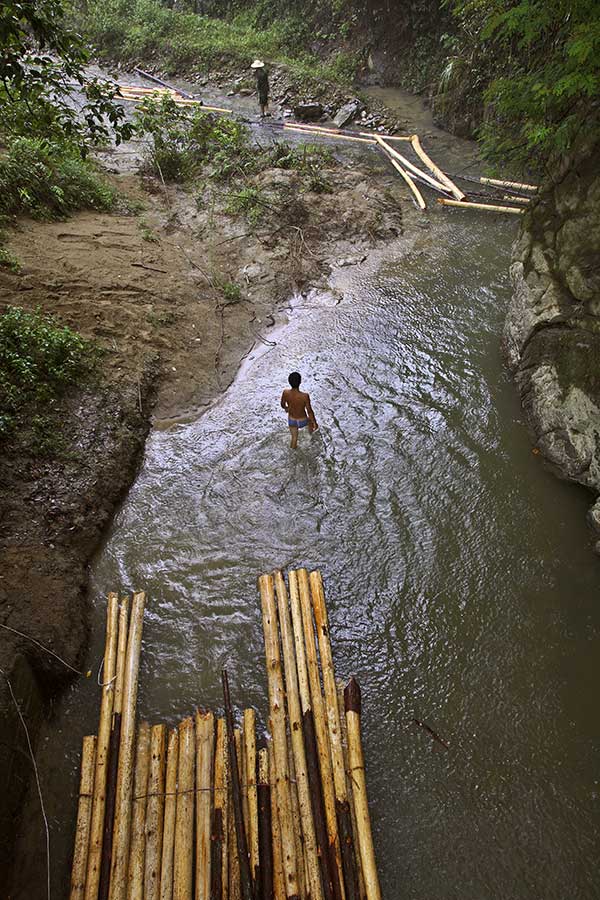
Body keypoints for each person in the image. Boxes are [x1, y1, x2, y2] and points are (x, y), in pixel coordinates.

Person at [280, 371, 318, 449]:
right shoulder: (304, 396)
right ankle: (311, 438)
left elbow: (282, 404)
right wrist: (314, 422)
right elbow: (309, 411)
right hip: (302, 420)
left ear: (289, 382)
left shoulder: (285, 393)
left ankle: (292, 453)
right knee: (310, 422)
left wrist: (286, 408)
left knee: (294, 438)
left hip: (292, 420)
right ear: (300, 382)